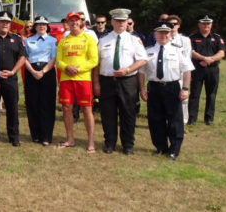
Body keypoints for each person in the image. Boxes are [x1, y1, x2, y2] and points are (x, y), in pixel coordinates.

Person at [93, 9, 147, 155]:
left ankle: (128, 145)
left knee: (128, 113)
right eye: (118, 21)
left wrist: (128, 70)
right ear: (112, 22)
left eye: (123, 21)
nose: (121, 24)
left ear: (127, 22)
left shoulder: (134, 40)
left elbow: (142, 60)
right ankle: (109, 143)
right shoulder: (103, 40)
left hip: (128, 81)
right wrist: (96, 83)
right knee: (107, 114)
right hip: (107, 81)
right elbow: (96, 63)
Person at [139, 22, 194, 160]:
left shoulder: (178, 50)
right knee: (155, 119)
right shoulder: (148, 50)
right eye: (160, 32)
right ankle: (160, 147)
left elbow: (187, 70)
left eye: (166, 32)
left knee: (175, 119)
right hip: (154, 87)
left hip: (172, 87)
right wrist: (142, 88)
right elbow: (141, 72)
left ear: (170, 34)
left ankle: (174, 149)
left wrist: (185, 89)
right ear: (155, 34)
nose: (163, 35)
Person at [56, 11, 98, 153]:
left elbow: (94, 60)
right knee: (67, 108)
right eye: (71, 21)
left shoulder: (88, 38)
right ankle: (70, 139)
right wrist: (66, 67)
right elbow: (58, 60)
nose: (74, 23)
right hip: (66, 79)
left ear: (81, 22)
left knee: (86, 109)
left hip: (83, 79)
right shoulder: (64, 40)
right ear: (67, 23)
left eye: (76, 20)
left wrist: (78, 69)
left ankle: (91, 141)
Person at [0, 11, 27, 147]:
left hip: (10, 79)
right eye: (2, 21)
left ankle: (14, 136)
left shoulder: (16, 39)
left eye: (7, 22)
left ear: (10, 24)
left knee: (12, 108)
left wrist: (13, 71)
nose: (5, 24)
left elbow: (22, 57)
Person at [24, 16, 57, 146]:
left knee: (47, 104)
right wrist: (33, 71)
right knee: (33, 104)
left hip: (47, 72)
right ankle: (36, 135)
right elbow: (24, 57)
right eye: (38, 24)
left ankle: (46, 136)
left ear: (47, 26)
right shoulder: (28, 40)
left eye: (44, 24)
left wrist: (42, 72)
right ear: (35, 27)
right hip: (31, 71)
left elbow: (54, 58)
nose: (41, 26)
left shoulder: (53, 40)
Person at [188, 15, 225, 125]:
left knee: (212, 94)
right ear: (199, 24)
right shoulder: (192, 37)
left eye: (208, 24)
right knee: (195, 94)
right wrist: (203, 58)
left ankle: (209, 119)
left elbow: (222, 52)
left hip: (212, 70)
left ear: (211, 25)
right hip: (197, 69)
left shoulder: (217, 37)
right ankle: (192, 118)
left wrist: (210, 59)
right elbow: (191, 52)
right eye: (203, 23)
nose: (206, 26)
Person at [168, 15, 192, 124]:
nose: (173, 26)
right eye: (170, 24)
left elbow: (188, 58)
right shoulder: (163, 38)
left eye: (175, 24)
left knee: (183, 99)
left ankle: (183, 121)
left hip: (181, 73)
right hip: (168, 73)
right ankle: (168, 120)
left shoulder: (185, 40)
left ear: (179, 26)